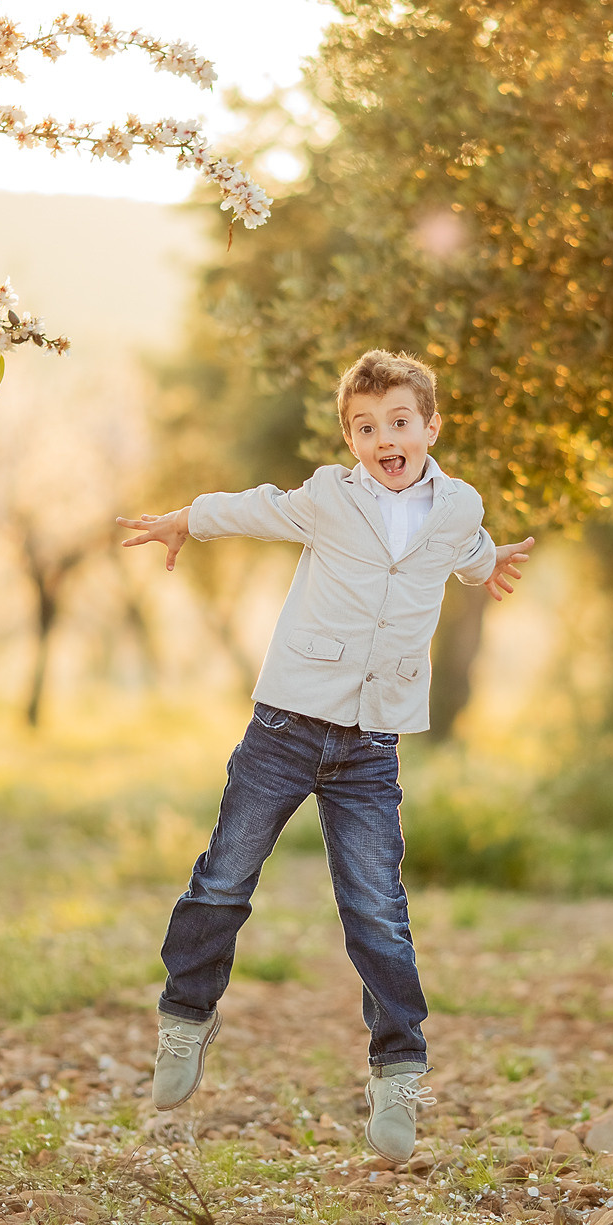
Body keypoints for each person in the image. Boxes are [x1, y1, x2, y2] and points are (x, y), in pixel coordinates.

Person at [117, 349, 533, 1163]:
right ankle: (186, 1019)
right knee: (224, 876)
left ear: (430, 428)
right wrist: (188, 519)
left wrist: (489, 569)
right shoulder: (327, 500)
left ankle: (398, 1069)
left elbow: (469, 549)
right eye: (367, 427)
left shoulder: (458, 506)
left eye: (400, 423)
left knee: (376, 908)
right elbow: (253, 508)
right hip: (286, 728)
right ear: (349, 438)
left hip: (373, 743)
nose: (386, 438)